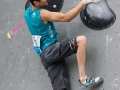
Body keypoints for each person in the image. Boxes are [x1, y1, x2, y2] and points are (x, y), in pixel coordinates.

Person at [24, 0, 103, 90]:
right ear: (36, 2)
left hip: (46, 58)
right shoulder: (42, 14)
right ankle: (83, 79)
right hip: (51, 50)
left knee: (62, 88)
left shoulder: (27, 13)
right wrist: (83, 2)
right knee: (81, 41)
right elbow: (66, 17)